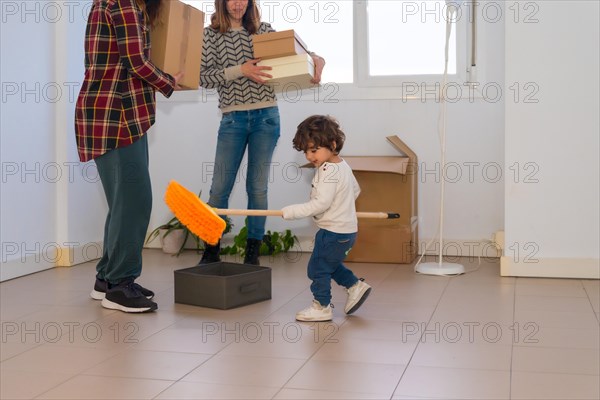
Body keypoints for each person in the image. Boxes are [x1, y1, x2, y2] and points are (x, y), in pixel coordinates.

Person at [74, 0, 183, 313]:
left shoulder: (108, 3)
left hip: (108, 114)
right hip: (118, 115)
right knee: (135, 201)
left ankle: (106, 279)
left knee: (122, 202)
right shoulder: (124, 4)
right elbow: (136, 62)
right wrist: (169, 82)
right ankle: (120, 286)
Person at [198, 0, 325, 265]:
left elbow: (300, 53)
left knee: (256, 187)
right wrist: (241, 70)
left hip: (266, 118)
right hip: (233, 118)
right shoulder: (210, 35)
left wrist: (316, 60)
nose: (237, 4)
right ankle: (211, 250)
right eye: (232, 0)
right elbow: (203, 77)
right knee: (219, 188)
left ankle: (253, 252)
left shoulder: (263, 30)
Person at [281, 115, 372, 322]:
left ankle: (322, 306)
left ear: (332, 144)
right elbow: (355, 190)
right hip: (346, 230)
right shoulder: (343, 166)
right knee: (329, 264)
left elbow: (320, 204)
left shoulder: (328, 171)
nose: (309, 156)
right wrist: (342, 205)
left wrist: (292, 212)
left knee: (317, 268)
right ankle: (355, 286)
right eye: (305, 151)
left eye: (313, 150)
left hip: (332, 232)